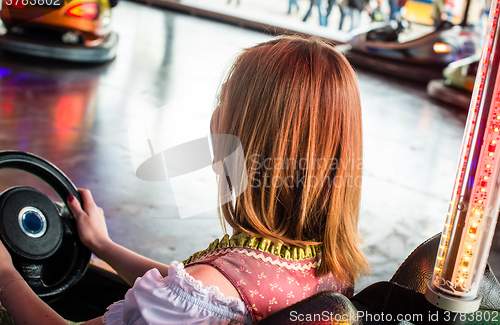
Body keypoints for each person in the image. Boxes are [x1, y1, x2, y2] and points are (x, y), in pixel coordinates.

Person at [0, 36, 370, 325]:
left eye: (225, 103)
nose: (214, 116)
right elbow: (187, 289)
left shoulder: (208, 292)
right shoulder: (331, 264)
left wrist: (5, 275)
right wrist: (104, 246)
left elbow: (196, 293)